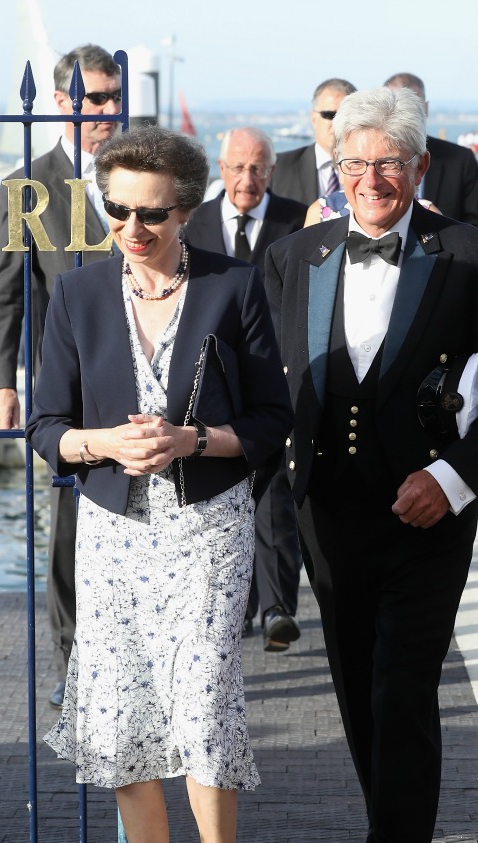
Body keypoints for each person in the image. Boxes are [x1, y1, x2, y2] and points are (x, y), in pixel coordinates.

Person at [265, 87, 478, 843]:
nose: (372, 179)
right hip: (327, 516)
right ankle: (391, 839)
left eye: (390, 163)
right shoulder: (294, 255)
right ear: (335, 170)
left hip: (426, 514)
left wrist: (458, 476)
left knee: (403, 693)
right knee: (357, 695)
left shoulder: (471, 257)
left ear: (420, 168)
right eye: (356, 164)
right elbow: (269, 378)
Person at [25, 126, 292, 843]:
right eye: (117, 211)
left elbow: (268, 425)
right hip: (110, 534)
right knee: (125, 718)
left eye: (153, 213)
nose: (132, 227)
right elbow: (43, 428)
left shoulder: (232, 287)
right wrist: (97, 441)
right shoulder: (77, 295)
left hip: (208, 528)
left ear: (187, 209)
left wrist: (192, 439)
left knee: (204, 704)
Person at [0, 44, 122, 708]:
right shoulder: (29, 187)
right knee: (69, 526)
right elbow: (6, 294)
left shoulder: (137, 174)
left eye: (114, 96)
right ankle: (72, 658)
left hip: (141, 384)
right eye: (97, 98)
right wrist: (0, 381)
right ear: (64, 103)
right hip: (66, 391)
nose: (109, 111)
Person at [185, 127, 306, 651]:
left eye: (257, 168)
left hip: (278, 377)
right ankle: (242, 603)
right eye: (237, 167)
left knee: (276, 488)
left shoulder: (297, 219)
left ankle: (279, 606)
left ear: (272, 172)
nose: (246, 179)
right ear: (221, 167)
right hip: (211, 384)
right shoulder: (196, 223)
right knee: (226, 492)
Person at [383, 73, 478, 232]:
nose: (404, 114)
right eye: (395, 106)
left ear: (426, 108)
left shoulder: (460, 160)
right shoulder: (366, 161)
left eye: (412, 105)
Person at [270, 78, 357, 206]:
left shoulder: (371, 171)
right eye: (329, 115)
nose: (337, 123)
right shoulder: (279, 168)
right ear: (313, 118)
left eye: (346, 115)